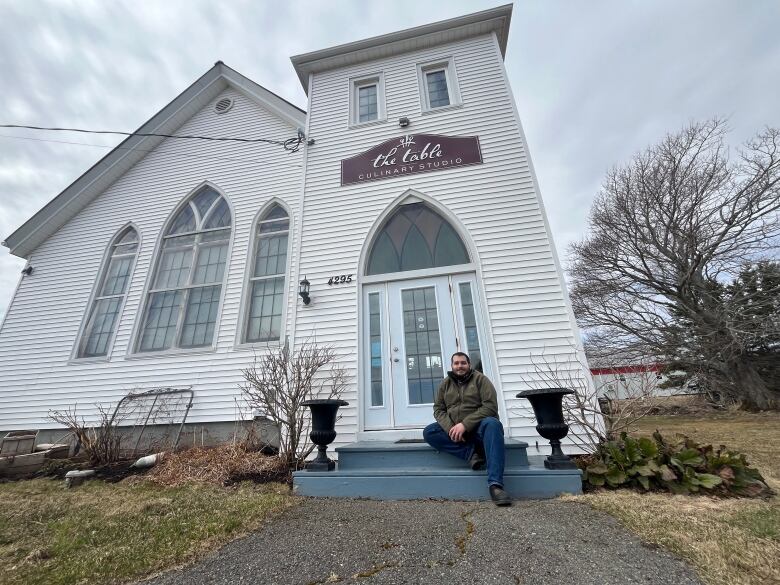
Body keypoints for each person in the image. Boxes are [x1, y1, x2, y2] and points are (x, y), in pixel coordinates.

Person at [422, 352, 511, 506]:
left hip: (478, 429)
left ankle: (495, 485)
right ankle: (471, 454)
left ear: (469, 364)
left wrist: (465, 424)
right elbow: (438, 409)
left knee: (493, 424)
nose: (459, 366)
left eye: (463, 363)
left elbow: (490, 406)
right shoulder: (445, 384)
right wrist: (452, 428)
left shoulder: (480, 379)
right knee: (430, 432)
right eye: (456, 363)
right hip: (456, 431)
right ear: (452, 366)